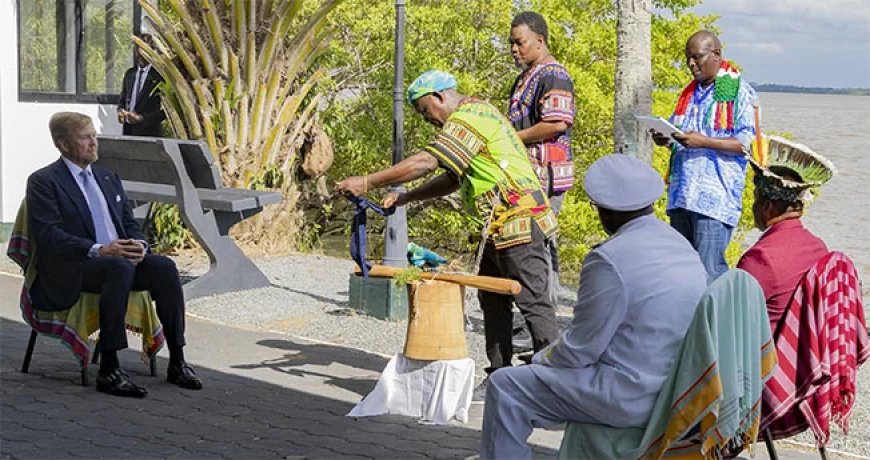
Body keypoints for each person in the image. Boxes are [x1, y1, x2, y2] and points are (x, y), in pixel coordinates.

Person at [335, 70, 559, 402]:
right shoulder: (477, 114)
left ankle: (555, 383)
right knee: (492, 302)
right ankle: (499, 376)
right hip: (495, 227)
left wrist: (367, 181)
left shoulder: (469, 117)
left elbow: (427, 162)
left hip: (520, 222)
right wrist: (407, 197)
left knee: (534, 303)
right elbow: (453, 177)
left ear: (439, 96)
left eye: (425, 110)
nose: (427, 119)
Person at [480, 154, 708, 460]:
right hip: (677, 387)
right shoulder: (680, 244)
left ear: (606, 211)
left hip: (629, 394)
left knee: (505, 386)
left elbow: (581, 349)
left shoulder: (608, 259)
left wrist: (540, 359)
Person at [26, 112, 201, 397]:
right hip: (77, 265)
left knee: (164, 267)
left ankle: (178, 361)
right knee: (117, 268)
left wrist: (139, 245)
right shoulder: (44, 181)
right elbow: (49, 235)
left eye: (94, 136)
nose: (93, 143)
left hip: (119, 261)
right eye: (85, 137)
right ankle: (109, 368)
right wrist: (100, 250)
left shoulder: (107, 177)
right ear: (63, 144)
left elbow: (129, 223)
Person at [651, 30, 757, 280]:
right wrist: (665, 137)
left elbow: (748, 144)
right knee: (680, 274)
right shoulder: (689, 94)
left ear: (716, 55)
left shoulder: (740, 92)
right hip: (681, 196)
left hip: (713, 202)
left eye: (697, 57)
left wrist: (704, 142)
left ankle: (714, 309)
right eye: (687, 58)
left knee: (709, 274)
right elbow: (679, 131)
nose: (691, 64)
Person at [507, 11, 576, 354]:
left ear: (540, 40)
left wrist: (510, 138)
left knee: (538, 249)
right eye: (511, 43)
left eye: (519, 42)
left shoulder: (554, 75)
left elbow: (556, 123)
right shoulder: (525, 77)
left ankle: (543, 326)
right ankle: (531, 321)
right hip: (524, 177)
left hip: (545, 178)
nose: (514, 49)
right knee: (526, 247)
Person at [737, 162, 830, 332]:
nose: (753, 206)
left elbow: (732, 316)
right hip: (806, 345)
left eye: (756, 199)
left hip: (769, 347)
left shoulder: (760, 257)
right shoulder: (819, 247)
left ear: (767, 207)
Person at [117, 33, 165, 137]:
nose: (139, 52)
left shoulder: (159, 76)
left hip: (150, 132)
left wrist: (141, 118)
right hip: (129, 131)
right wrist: (121, 112)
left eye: (143, 49)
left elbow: (165, 112)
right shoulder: (130, 74)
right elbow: (122, 99)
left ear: (152, 50)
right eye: (137, 48)